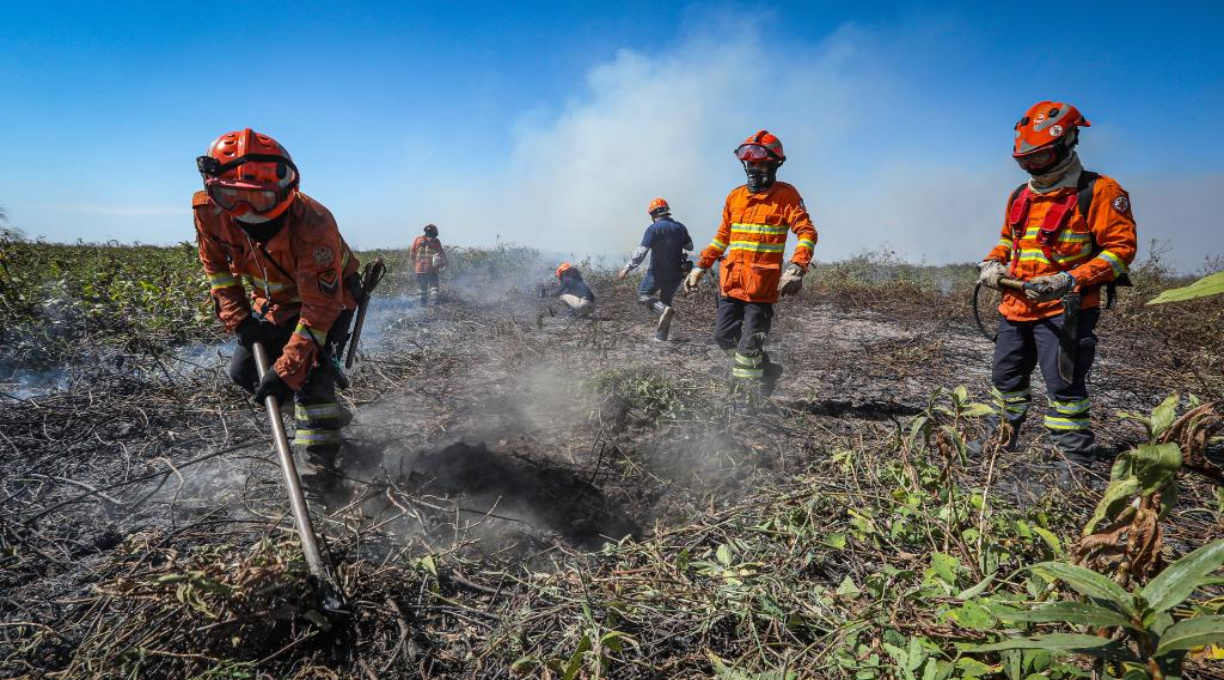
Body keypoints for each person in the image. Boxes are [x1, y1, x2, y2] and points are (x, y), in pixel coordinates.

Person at [193, 128, 361, 497]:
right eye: (231, 197)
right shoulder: (209, 213)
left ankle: (321, 476)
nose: (246, 213)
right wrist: (240, 320)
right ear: (213, 189)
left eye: (260, 200)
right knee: (244, 371)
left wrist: (288, 369)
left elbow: (320, 307)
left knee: (311, 382)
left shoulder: (313, 223)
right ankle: (322, 415)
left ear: (285, 192)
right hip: (271, 305)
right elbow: (218, 269)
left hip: (328, 301)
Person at [976, 101, 1137, 464]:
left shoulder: (1100, 191)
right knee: (1006, 381)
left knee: (1064, 388)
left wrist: (1070, 280)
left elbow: (1120, 250)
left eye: (1040, 158)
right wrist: (992, 261)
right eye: (1024, 160)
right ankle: (1000, 442)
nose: (1032, 167)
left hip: (1066, 310)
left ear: (1068, 143)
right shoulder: (1021, 194)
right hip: (1015, 308)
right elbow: (1009, 240)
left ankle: (1074, 461)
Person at [685, 130, 817, 394]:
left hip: (761, 288)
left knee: (749, 348)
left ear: (774, 164)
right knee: (723, 337)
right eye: (751, 163)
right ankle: (766, 370)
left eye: (760, 163)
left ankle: (747, 402)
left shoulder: (786, 196)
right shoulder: (734, 197)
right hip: (730, 283)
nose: (754, 168)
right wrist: (701, 266)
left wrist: (796, 267)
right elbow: (722, 238)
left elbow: (806, 232)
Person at [619, 198, 694, 341]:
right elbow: (690, 247)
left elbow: (641, 253)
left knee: (643, 295)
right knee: (666, 302)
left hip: (657, 272)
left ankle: (663, 310)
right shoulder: (680, 227)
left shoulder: (653, 228)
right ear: (667, 211)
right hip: (676, 273)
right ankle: (661, 337)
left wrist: (627, 269)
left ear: (653, 214)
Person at [410, 223, 448, 306]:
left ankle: (422, 303)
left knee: (422, 287)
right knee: (434, 286)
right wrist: (445, 262)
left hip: (419, 268)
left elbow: (412, 253)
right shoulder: (436, 241)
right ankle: (434, 302)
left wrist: (415, 264)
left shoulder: (417, 239)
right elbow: (441, 253)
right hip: (432, 269)